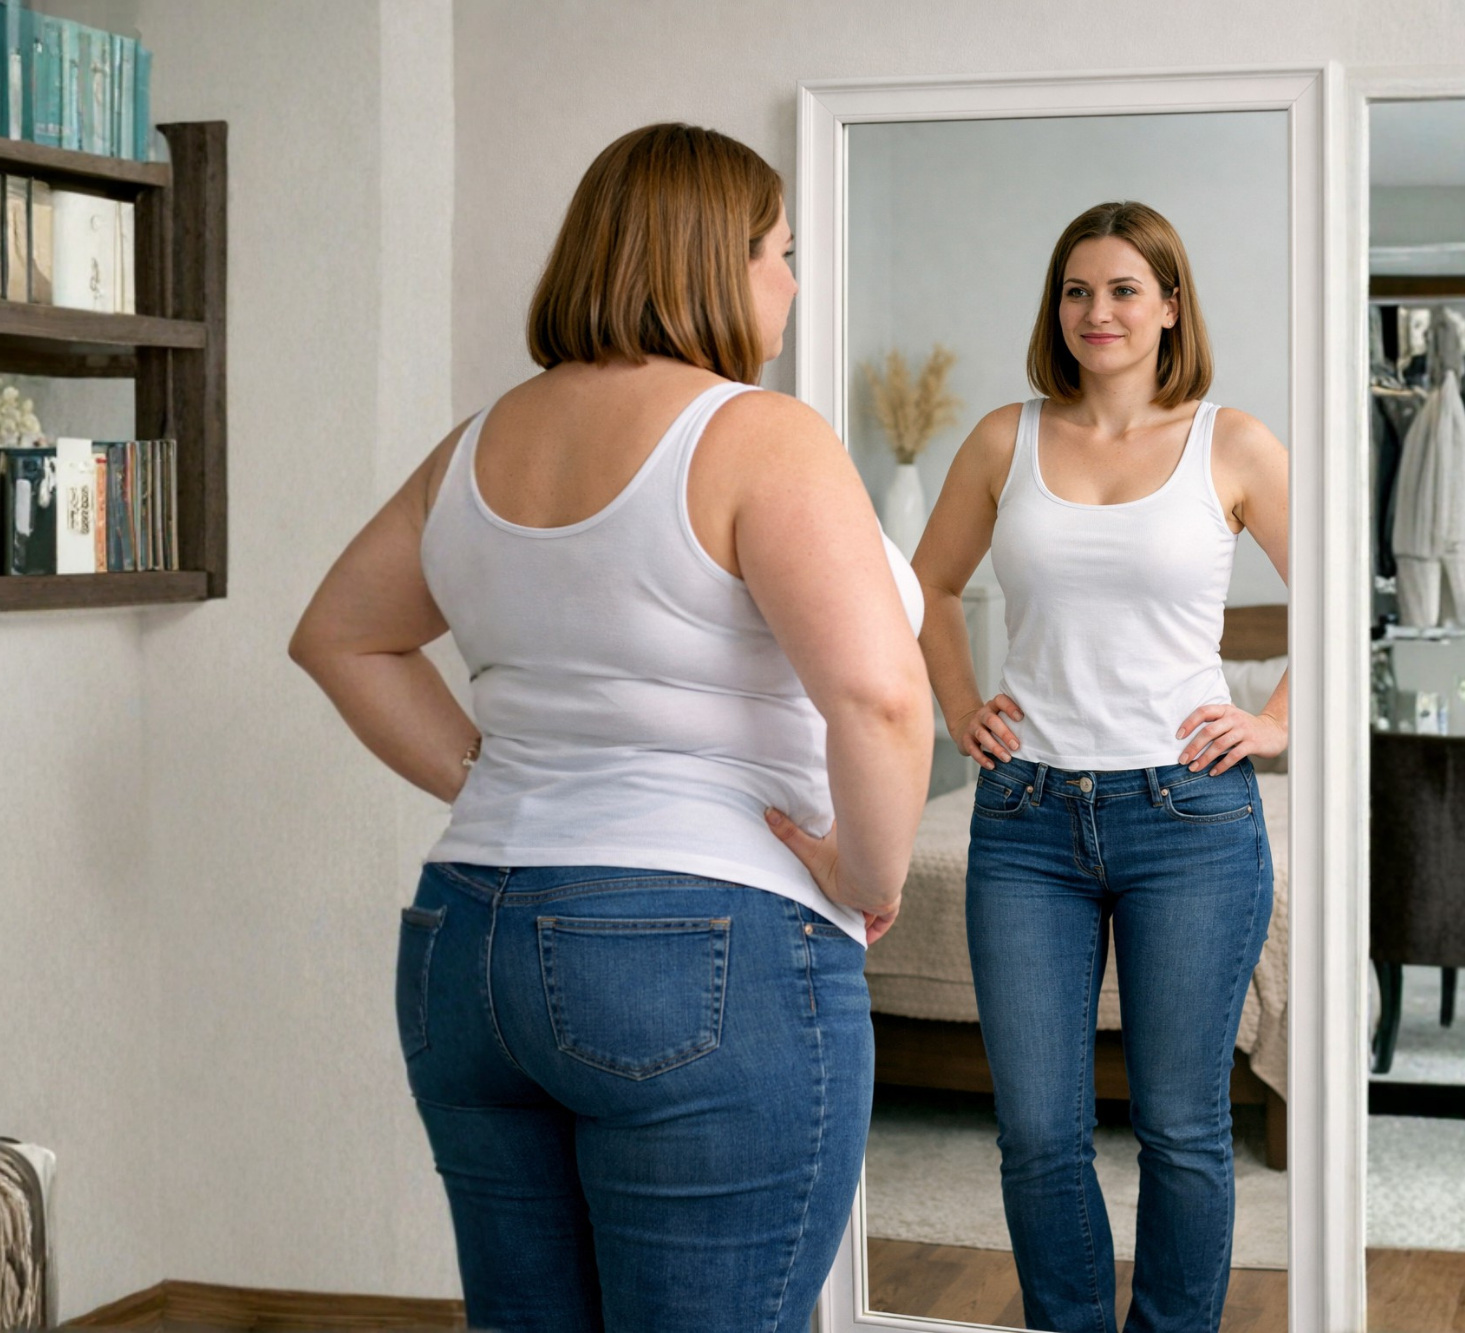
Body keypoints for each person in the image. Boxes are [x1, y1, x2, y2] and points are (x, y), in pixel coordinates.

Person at [289, 122, 931, 1333]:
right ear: (714, 261)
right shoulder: (757, 431)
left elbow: (340, 637)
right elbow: (882, 695)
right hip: (702, 944)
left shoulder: (477, 442)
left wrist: (498, 778)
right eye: (782, 253)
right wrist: (866, 875)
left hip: (469, 944)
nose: (792, 284)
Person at [912, 201, 1287, 1333]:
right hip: (1025, 814)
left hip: (1189, 820)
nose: (1097, 311)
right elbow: (925, 587)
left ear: (1170, 305)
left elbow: (1334, 591)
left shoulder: (1233, 443)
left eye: (1124, 289)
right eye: (1077, 290)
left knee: (1180, 1125)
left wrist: (1273, 721)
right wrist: (960, 705)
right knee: (1036, 1131)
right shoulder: (1003, 439)